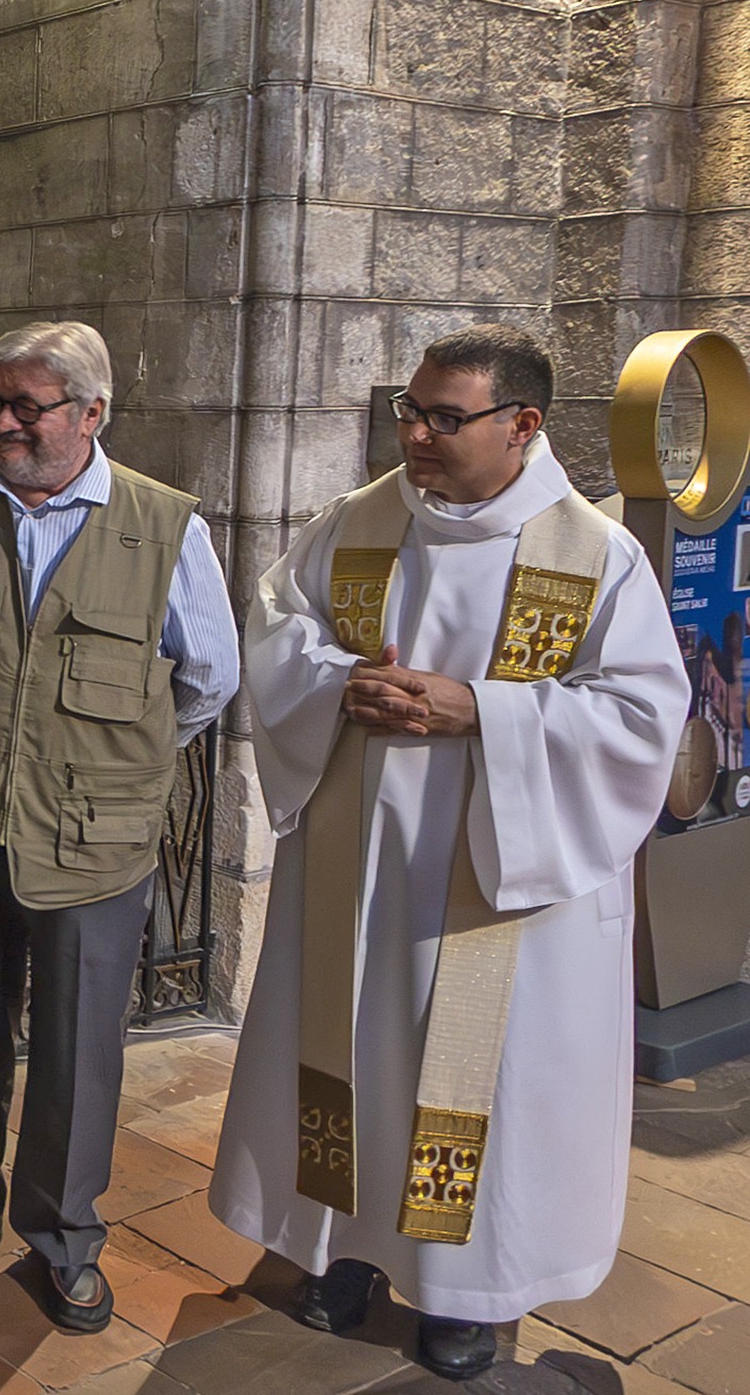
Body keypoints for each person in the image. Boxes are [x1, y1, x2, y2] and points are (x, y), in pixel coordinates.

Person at [208, 326, 687, 1381]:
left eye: (443, 418)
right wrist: (338, 681)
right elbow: (277, 622)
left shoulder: (593, 555)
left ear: (523, 425)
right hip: (359, 872)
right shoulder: (359, 522)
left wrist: (485, 710)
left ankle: (464, 1296)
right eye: (409, 412)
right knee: (353, 1054)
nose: (416, 435)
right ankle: (340, 1251)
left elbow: (644, 718)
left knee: (472, 1084)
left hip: (498, 883)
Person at [0, 320, 238, 1331]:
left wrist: (103, 764)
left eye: (25, 405)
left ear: (90, 413)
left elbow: (207, 678)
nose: (1, 422)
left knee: (80, 1051)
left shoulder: (165, 527)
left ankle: (64, 1236)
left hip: (95, 837)